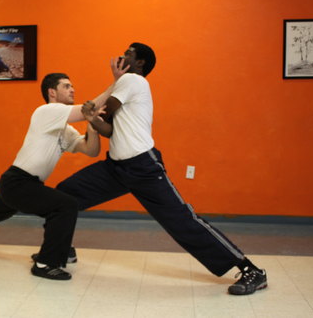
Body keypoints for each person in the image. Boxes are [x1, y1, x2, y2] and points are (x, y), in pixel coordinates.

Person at [55, 43, 268, 295]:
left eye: (130, 53)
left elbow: (103, 109)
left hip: (143, 167)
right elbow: (108, 128)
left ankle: (250, 270)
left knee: (182, 221)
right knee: (64, 195)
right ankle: (60, 249)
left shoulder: (132, 80)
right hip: (115, 167)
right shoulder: (127, 84)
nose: (123, 56)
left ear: (141, 63)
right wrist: (92, 118)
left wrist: (100, 101)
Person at [0, 68, 126, 280]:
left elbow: (91, 150)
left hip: (24, 185)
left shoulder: (65, 130)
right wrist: (118, 82)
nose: (72, 89)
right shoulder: (46, 112)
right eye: (66, 86)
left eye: (72, 86)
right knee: (65, 205)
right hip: (17, 181)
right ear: (52, 92)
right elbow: (91, 107)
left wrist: (92, 125)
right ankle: (45, 263)